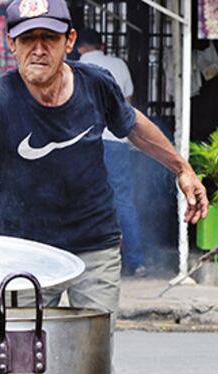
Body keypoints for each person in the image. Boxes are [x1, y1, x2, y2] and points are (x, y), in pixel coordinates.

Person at [0, 0, 208, 323]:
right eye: (27, 39)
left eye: (48, 38)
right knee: (25, 361)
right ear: (11, 44)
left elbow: (133, 125)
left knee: (92, 362)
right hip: (25, 250)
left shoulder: (96, 84)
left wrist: (182, 169)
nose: (38, 49)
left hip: (94, 246)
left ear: (70, 40)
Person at [76, 27, 147, 278]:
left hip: (84, 143)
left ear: (78, 45)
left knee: (83, 200)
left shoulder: (73, 67)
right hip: (116, 141)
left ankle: (81, 261)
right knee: (124, 200)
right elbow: (127, 106)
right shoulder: (118, 65)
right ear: (102, 44)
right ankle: (136, 262)